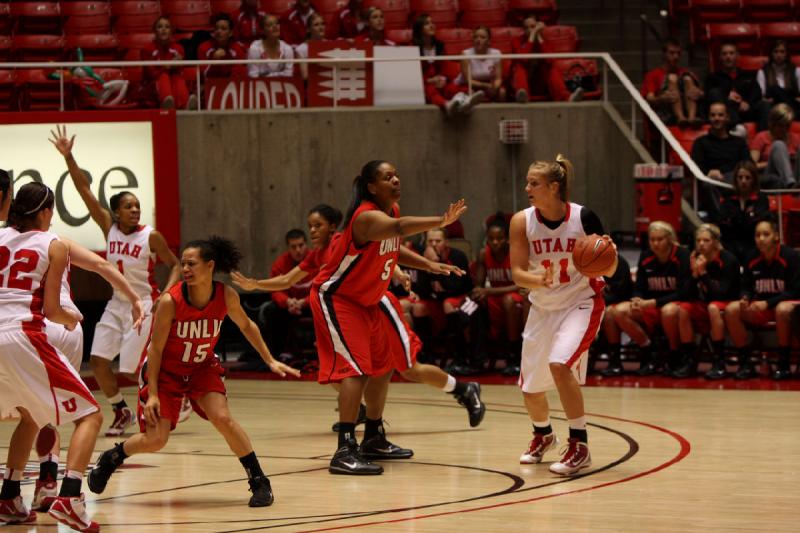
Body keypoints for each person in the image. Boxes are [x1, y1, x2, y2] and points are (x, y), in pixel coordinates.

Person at [232, 204, 485, 430]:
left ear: (332, 226)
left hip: (377, 303)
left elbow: (384, 251)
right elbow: (287, 280)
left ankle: (463, 389)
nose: (312, 231)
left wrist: (396, 272)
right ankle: (361, 413)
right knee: (333, 369)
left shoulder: (346, 238)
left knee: (409, 369)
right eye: (310, 226)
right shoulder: (316, 255)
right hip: (351, 312)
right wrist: (256, 285)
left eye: (318, 225)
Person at [88, 237, 301, 506]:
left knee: (223, 418)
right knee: (155, 440)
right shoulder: (170, 301)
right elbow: (154, 349)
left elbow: (247, 326)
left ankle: (259, 481)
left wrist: (269, 359)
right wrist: (152, 394)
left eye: (191, 263)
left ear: (210, 266)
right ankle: (114, 456)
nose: (185, 268)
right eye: (183, 264)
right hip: (166, 372)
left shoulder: (226, 295)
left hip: (202, 367)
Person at [311, 160, 467, 475]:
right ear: (371, 186)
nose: (395, 179)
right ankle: (344, 449)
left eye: (397, 174)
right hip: (338, 298)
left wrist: (429, 264)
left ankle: (373, 437)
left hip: (366, 301)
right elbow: (398, 230)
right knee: (355, 371)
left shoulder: (390, 212)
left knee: (381, 368)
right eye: (387, 177)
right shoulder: (367, 216)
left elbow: (393, 247)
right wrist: (440, 220)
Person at [51, 125, 182, 438]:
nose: (135, 210)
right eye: (129, 206)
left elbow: (175, 265)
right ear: (116, 212)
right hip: (116, 304)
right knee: (96, 363)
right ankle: (121, 411)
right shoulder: (107, 225)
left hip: (143, 304)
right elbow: (84, 191)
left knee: (130, 369)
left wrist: (167, 294)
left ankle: (173, 397)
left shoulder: (151, 235)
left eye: (137, 206)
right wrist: (69, 157)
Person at [0, 180, 103, 531]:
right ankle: (70, 497)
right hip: (23, 334)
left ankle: (10, 495)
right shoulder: (53, 244)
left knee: (30, 417)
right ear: (46, 212)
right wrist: (73, 318)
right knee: (90, 416)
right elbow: (51, 309)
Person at [509, 155, 617, 475]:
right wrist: (536, 280)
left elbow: (610, 269)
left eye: (534, 183)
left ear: (554, 188)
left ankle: (580, 445)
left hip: (579, 303)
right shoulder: (521, 221)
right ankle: (543, 435)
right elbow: (516, 273)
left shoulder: (584, 217)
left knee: (559, 365)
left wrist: (606, 255)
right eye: (527, 182)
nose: (527, 187)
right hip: (542, 307)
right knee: (530, 389)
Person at [31, 237, 145, 513]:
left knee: (35, 414)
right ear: (46, 213)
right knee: (75, 413)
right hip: (64, 325)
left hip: (27, 325)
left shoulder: (5, 241)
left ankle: (43, 482)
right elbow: (100, 264)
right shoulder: (56, 242)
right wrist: (134, 297)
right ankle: (67, 492)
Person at [723, 218, 800, 380]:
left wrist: (768, 303)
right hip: (763, 306)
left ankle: (784, 364)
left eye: (766, 234)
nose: (761, 239)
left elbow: (795, 290)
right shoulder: (751, 257)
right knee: (732, 309)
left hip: (789, 305)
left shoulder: (791, 256)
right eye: (758, 235)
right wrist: (745, 297)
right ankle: (745, 363)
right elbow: (746, 285)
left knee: (782, 309)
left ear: (776, 236)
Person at [613, 221, 691, 376]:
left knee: (668, 312)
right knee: (619, 311)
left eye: (660, 239)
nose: (655, 243)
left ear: (669, 239)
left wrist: (654, 302)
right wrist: (636, 299)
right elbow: (640, 286)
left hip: (676, 304)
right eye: (652, 239)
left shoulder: (682, 255)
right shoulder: (646, 255)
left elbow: (685, 292)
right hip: (652, 305)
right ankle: (649, 350)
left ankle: (674, 355)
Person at [672, 224, 740, 379]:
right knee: (683, 309)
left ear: (716, 242)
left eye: (706, 240)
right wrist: (695, 275)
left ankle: (719, 362)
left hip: (727, 303)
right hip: (704, 304)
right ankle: (689, 361)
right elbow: (683, 294)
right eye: (698, 240)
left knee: (713, 307)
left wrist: (703, 273)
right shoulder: (692, 258)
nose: (701, 244)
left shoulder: (728, 260)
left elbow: (721, 294)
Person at [413, 228, 480, 374]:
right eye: (430, 242)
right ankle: (426, 356)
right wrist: (428, 267)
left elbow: (455, 288)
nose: (434, 245)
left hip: (466, 300)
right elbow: (421, 291)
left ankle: (460, 358)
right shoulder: (423, 257)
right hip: (439, 302)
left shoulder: (458, 256)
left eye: (438, 241)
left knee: (449, 304)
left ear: (447, 242)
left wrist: (437, 263)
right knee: (418, 307)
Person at [471, 214, 526, 376]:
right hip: (495, 298)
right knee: (470, 305)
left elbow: (521, 285)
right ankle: (475, 357)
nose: (495, 242)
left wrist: (489, 291)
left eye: (500, 238)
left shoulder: (518, 254)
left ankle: (514, 356)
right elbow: (480, 286)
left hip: (515, 295)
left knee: (509, 301)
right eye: (491, 238)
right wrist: (478, 292)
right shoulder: (483, 254)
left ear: (508, 239)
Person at [411, 13, 476, 117]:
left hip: (439, 80)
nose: (432, 25)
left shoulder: (440, 45)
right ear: (419, 28)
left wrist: (443, 78)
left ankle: (466, 100)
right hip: (424, 83)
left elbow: (444, 67)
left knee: (452, 87)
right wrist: (429, 80)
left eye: (432, 22)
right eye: (427, 23)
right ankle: (447, 105)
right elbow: (412, 74)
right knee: (430, 89)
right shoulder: (413, 47)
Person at [259, 228, 311, 359]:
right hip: (289, 305)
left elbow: (323, 289)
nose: (298, 250)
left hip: (311, 304)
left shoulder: (315, 260)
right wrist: (287, 302)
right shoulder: (280, 264)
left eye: (301, 245)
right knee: (271, 310)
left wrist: (305, 302)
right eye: (293, 247)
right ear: (288, 248)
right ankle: (275, 355)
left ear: (306, 244)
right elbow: (275, 290)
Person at [641, 37, 703, 126]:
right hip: (666, 112)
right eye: (672, 53)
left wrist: (699, 93)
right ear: (664, 54)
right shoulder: (652, 75)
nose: (676, 56)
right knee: (672, 77)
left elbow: (701, 93)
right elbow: (650, 98)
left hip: (687, 109)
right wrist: (662, 98)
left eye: (678, 53)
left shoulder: (685, 72)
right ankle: (680, 118)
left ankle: (691, 119)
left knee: (687, 78)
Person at [717, 160, 770, 262]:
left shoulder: (761, 199)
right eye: (740, 177)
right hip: (730, 244)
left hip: (753, 244)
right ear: (735, 179)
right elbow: (722, 224)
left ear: (754, 179)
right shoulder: (727, 197)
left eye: (747, 178)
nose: (743, 181)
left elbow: (758, 224)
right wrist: (748, 216)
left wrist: (735, 219)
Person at [704, 42, 764, 129]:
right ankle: (735, 126)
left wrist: (748, 104)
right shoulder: (712, 77)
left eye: (731, 53)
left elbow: (757, 93)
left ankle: (764, 137)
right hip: (726, 113)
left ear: (737, 56)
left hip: (746, 111)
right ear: (720, 57)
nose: (728, 57)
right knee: (715, 93)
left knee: (764, 105)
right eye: (724, 54)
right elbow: (709, 96)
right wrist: (728, 98)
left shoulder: (747, 75)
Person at [141, 17, 197, 110]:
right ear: (154, 31)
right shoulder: (147, 49)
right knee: (164, 76)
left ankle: (185, 104)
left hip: (173, 85)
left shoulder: (178, 48)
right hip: (152, 86)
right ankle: (166, 100)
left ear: (171, 31)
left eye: (167, 27)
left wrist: (177, 65)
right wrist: (168, 66)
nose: (163, 29)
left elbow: (180, 71)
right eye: (160, 27)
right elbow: (150, 74)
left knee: (177, 77)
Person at [596, 255, 633, 376]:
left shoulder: (620, 264)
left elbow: (622, 294)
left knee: (608, 314)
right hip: (594, 305)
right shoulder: (585, 263)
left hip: (617, 303)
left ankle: (614, 360)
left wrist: (598, 303)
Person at [750, 103, 800, 189]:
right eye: (780, 125)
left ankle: (793, 185)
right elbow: (751, 166)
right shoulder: (761, 137)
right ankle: (790, 185)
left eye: (787, 126)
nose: (784, 129)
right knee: (778, 144)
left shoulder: (795, 138)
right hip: (771, 178)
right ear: (772, 124)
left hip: (796, 178)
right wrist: (776, 160)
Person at [455, 26, 504, 103]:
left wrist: (495, 88)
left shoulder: (496, 53)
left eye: (482, 37)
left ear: (489, 41)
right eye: (476, 37)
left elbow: (498, 79)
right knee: (470, 93)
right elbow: (468, 81)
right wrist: (486, 86)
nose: (478, 39)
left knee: (502, 92)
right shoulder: (465, 54)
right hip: (469, 85)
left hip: (488, 84)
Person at [756, 40, 800, 123]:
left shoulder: (796, 71)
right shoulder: (762, 72)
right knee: (774, 90)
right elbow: (761, 97)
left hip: (792, 106)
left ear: (786, 54)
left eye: (782, 52)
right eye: (776, 52)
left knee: (775, 90)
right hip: (773, 107)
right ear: (771, 54)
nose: (779, 55)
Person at [198, 13, 248, 79]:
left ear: (230, 33)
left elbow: (241, 73)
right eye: (216, 28)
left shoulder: (238, 48)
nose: (219, 31)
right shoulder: (203, 48)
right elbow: (204, 75)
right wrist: (214, 62)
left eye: (223, 29)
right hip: (211, 85)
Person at [511, 15, 548, 103]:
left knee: (550, 67)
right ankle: (523, 97)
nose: (529, 30)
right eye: (526, 27)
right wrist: (532, 36)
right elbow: (524, 59)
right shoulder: (516, 40)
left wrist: (538, 36)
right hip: (520, 82)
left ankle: (565, 96)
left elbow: (549, 60)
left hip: (539, 80)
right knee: (519, 66)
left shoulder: (544, 40)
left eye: (533, 27)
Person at [248, 14, 295, 78]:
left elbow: (289, 74)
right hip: (260, 86)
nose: (275, 26)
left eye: (277, 24)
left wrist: (266, 76)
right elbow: (253, 75)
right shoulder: (255, 48)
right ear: (262, 31)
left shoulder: (287, 49)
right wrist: (280, 74)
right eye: (270, 25)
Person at [293, 13, 327, 80]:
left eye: (322, 24)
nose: (321, 27)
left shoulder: (330, 44)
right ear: (308, 29)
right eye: (316, 25)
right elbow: (305, 76)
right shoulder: (301, 49)